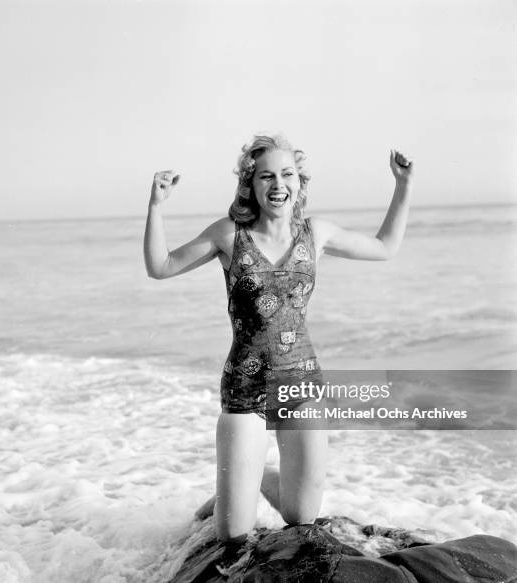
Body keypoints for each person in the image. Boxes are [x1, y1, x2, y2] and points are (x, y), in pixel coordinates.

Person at [143, 134, 413, 545]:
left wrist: (403, 185)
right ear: (250, 185)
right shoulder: (229, 235)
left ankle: (256, 477)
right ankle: (234, 486)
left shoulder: (315, 233)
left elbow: (385, 247)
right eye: (266, 176)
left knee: (300, 516)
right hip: (244, 386)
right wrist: (156, 207)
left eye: (287, 174)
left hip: (301, 385)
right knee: (233, 534)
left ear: (300, 182)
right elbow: (160, 267)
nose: (278, 184)